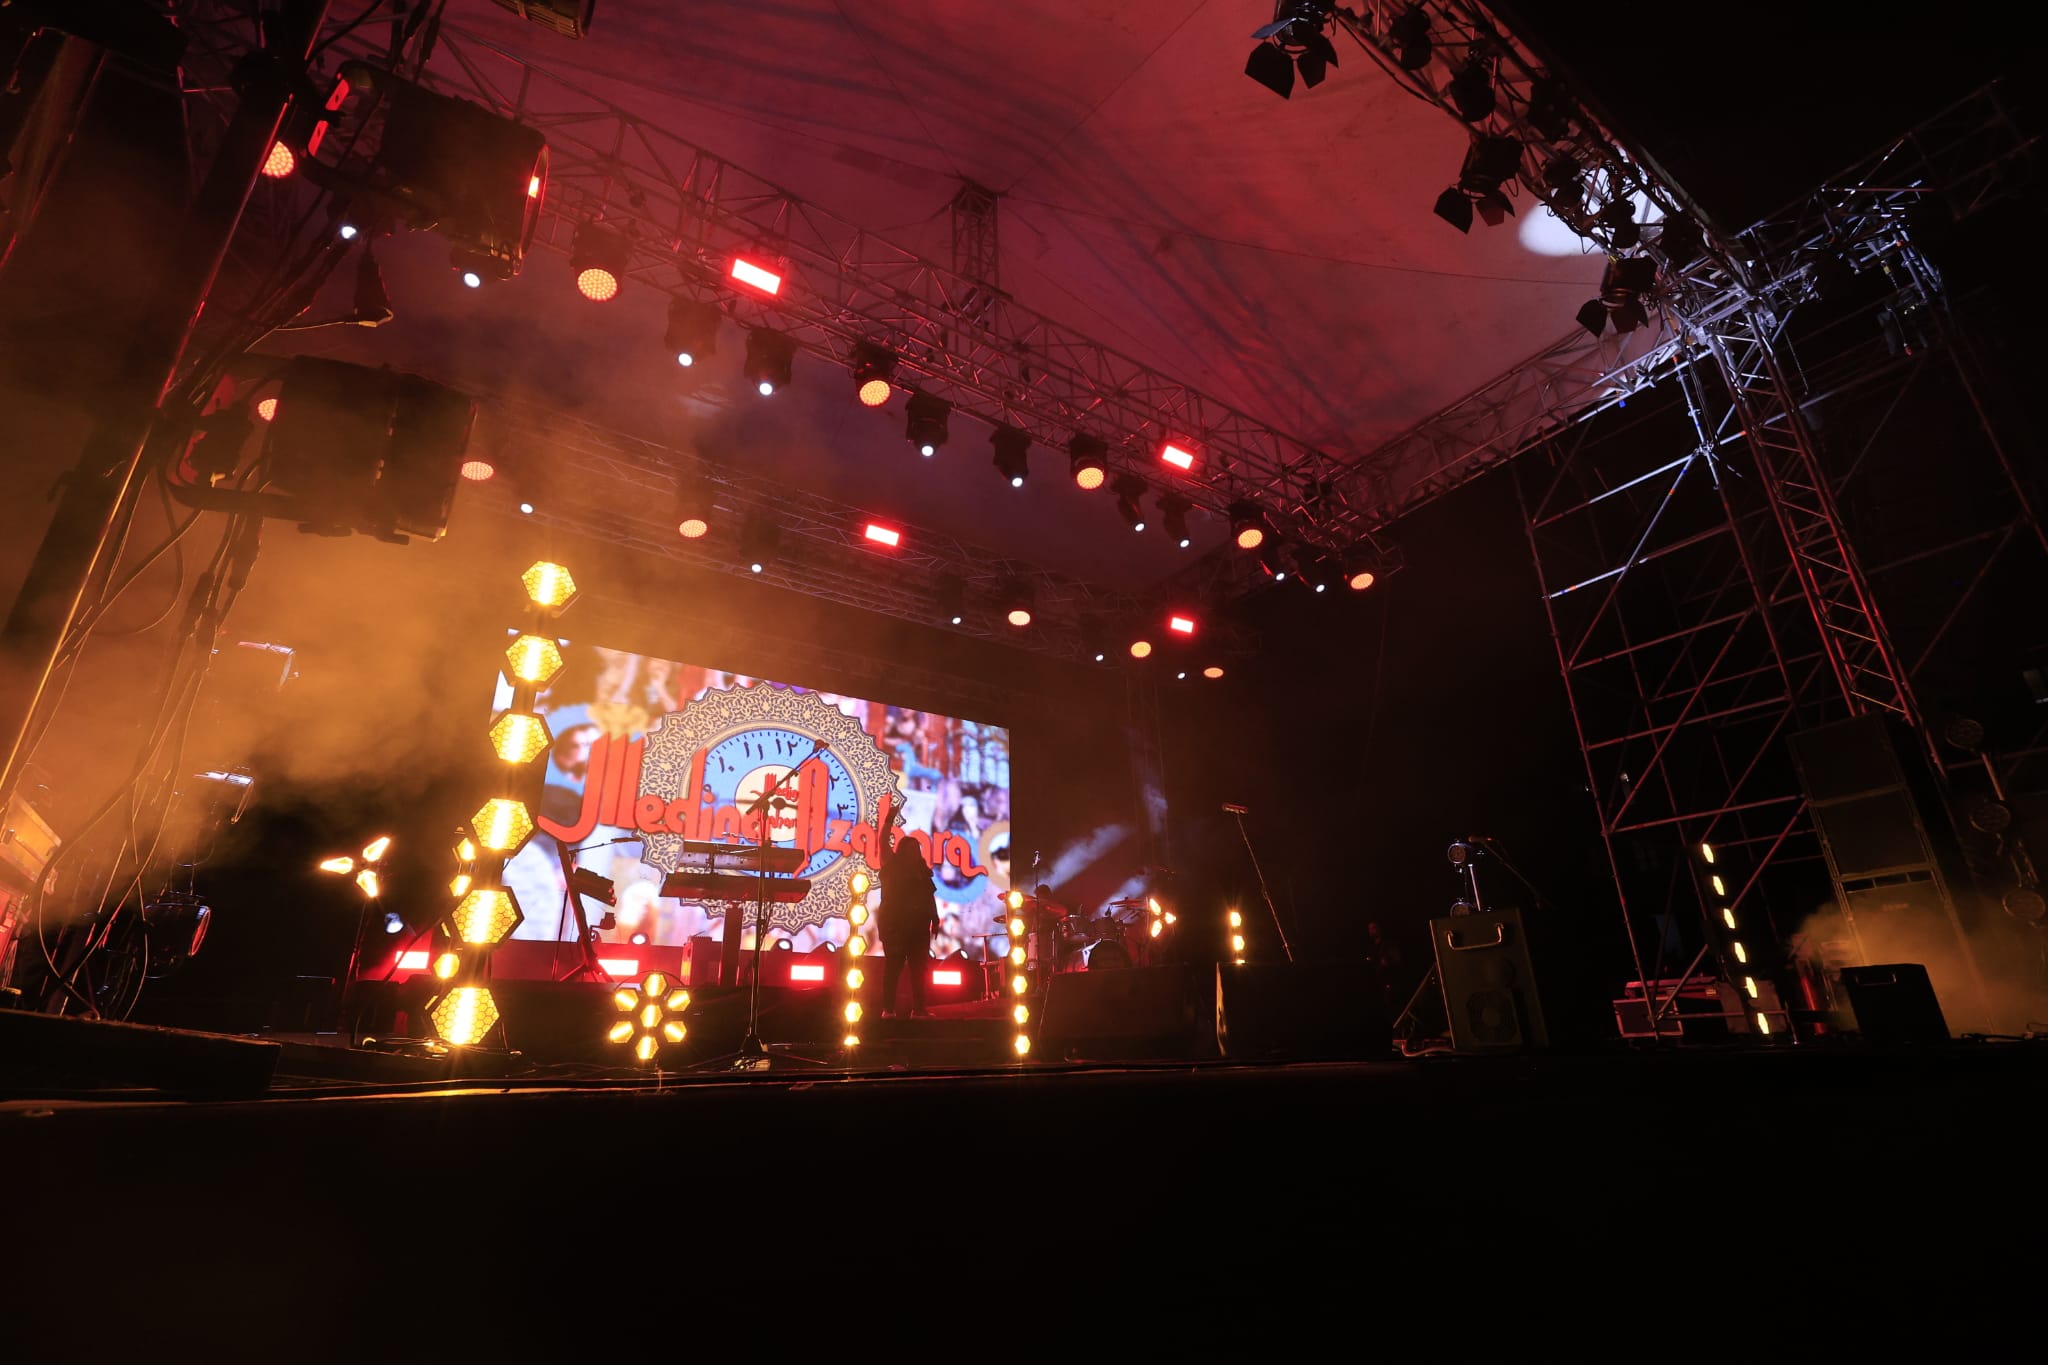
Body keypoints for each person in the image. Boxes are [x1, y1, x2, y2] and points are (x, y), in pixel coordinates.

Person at [877, 838, 940, 1018]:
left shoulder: (922, 871)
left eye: (916, 848)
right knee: (893, 968)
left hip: (919, 927)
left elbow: (929, 897)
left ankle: (919, 1009)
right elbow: (883, 842)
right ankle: (888, 1009)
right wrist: (888, 821)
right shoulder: (893, 868)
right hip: (896, 926)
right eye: (910, 848)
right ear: (902, 850)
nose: (914, 852)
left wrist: (935, 920)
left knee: (919, 970)